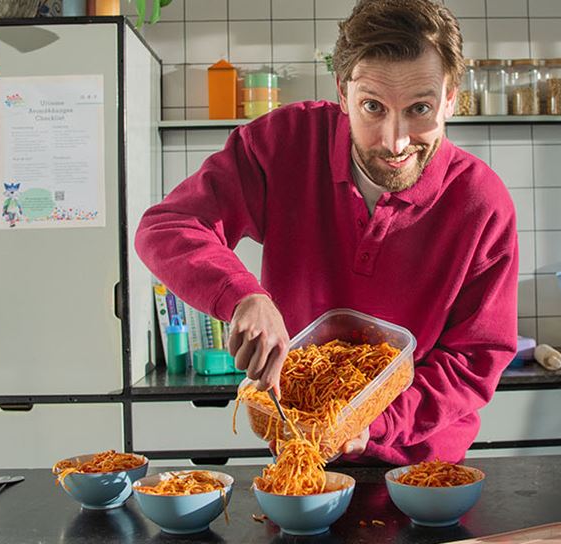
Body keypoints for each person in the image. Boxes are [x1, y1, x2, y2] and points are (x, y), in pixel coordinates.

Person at [135, 0, 517, 465]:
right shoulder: (284, 143)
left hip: (421, 468)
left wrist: (373, 421)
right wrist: (243, 296)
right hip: (303, 453)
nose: (394, 141)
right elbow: (168, 226)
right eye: (372, 107)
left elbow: (474, 359)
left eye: (420, 108)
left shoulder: (482, 202)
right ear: (342, 91)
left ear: (451, 98)